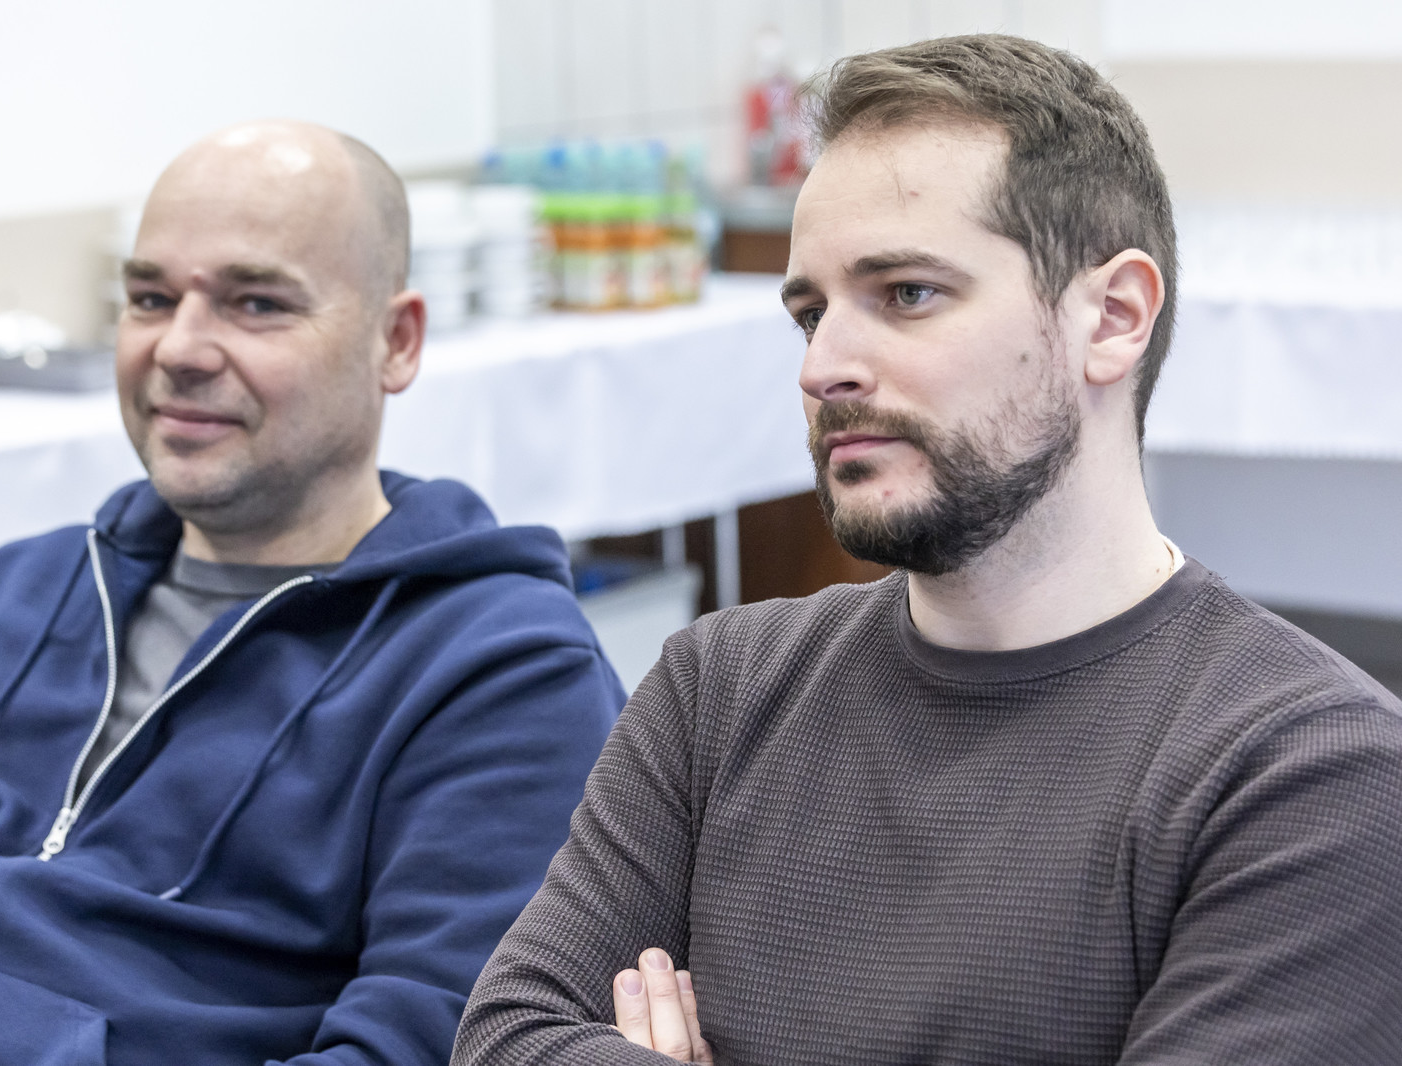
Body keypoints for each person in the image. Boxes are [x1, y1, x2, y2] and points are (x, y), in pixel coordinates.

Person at [453, 35, 1402, 1066]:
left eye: (906, 293)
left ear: (1112, 318)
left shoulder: (1309, 773)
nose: (822, 366)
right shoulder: (718, 690)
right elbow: (509, 1035)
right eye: (810, 314)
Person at [0, 121, 623, 1066]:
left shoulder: (501, 677)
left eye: (257, 303)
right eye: (151, 298)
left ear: (395, 342)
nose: (180, 348)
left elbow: (427, 1043)